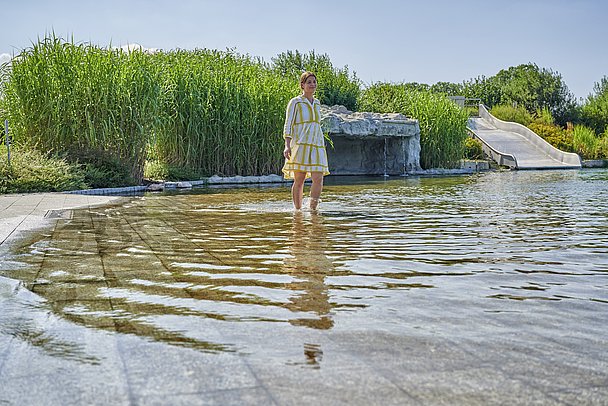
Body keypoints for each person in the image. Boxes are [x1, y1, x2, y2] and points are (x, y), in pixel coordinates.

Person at [282, 71, 330, 211]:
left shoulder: (317, 103)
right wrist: (287, 145)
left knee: (318, 178)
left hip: (317, 144)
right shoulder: (295, 102)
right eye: (309, 82)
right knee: (300, 179)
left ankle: (312, 209)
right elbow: (288, 124)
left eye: (314, 82)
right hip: (300, 144)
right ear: (302, 85)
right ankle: (298, 211)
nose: (312, 84)